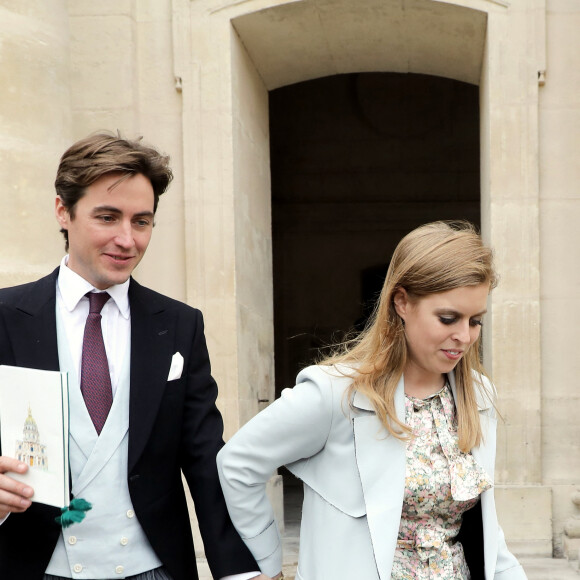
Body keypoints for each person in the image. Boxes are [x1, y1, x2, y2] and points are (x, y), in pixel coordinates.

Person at [0, 132, 270, 580]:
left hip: (154, 568)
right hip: (32, 566)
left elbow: (203, 455)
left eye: (141, 222)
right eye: (107, 217)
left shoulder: (181, 325)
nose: (127, 239)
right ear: (63, 211)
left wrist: (238, 570)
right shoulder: (6, 316)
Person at [217, 221, 528, 580]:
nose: (463, 336)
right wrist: (264, 569)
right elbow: (237, 464)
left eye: (476, 322)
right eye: (448, 318)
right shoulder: (337, 393)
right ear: (402, 303)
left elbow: (487, 530)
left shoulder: (478, 395)